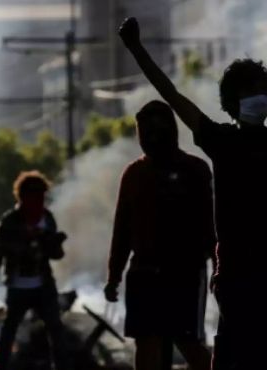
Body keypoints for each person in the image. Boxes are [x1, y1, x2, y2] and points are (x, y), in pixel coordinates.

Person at [118, 0, 267, 369]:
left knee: (260, 354)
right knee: (250, 354)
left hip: (264, 267)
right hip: (251, 268)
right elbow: (172, 95)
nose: (259, 97)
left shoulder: (261, 138)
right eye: (251, 91)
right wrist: (137, 50)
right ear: (233, 101)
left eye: (262, 89)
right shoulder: (257, 139)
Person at [104, 101, 215, 370]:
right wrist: (114, 276)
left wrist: (219, 266)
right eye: (145, 130)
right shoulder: (134, 174)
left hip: (185, 272)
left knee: (188, 342)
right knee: (146, 343)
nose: (151, 137)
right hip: (144, 272)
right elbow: (123, 230)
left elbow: (211, 226)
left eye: (157, 129)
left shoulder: (196, 170)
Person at [0, 171, 69, 370]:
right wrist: (22, 243)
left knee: (56, 330)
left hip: (43, 284)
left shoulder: (47, 218)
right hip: (18, 285)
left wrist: (51, 243)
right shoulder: (10, 220)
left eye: (42, 197)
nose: (40, 202)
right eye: (36, 196)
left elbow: (56, 254)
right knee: (9, 330)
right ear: (23, 197)